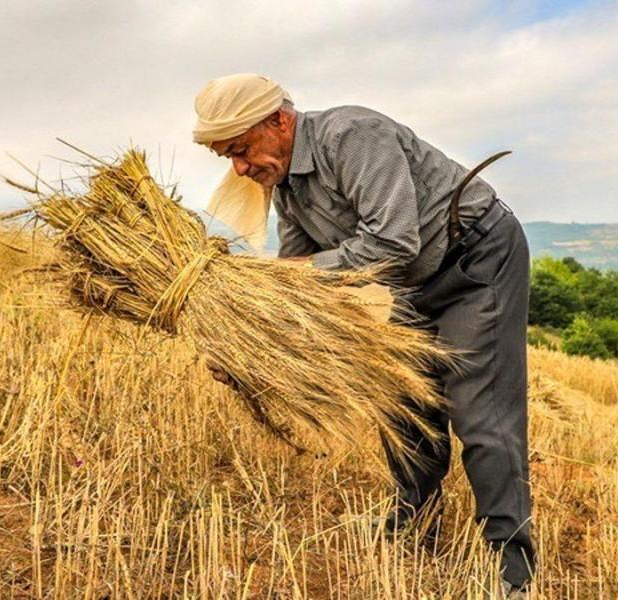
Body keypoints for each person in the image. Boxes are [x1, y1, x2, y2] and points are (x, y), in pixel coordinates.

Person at [192, 73, 535, 594]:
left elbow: (393, 239)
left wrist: (299, 275)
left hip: (474, 259)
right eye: (228, 159)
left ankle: (512, 566)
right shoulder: (288, 189)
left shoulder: (352, 136)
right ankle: (411, 525)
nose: (240, 168)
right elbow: (299, 281)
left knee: (480, 413)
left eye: (241, 149)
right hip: (412, 281)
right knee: (403, 404)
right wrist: (250, 339)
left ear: (279, 121)